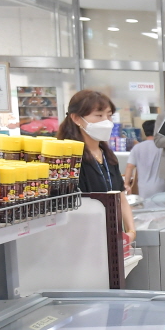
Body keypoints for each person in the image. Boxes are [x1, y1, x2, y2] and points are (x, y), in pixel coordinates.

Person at [56, 89, 135, 245]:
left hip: (112, 238)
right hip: (83, 240)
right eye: (99, 115)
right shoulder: (69, 159)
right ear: (76, 118)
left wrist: (131, 231)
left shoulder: (107, 156)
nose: (106, 121)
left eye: (109, 115)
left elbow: (120, 196)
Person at [125, 118, 165, 199]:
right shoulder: (163, 147)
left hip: (143, 187)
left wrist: (126, 184)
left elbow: (129, 167)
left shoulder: (137, 147)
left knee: (145, 206)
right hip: (161, 186)